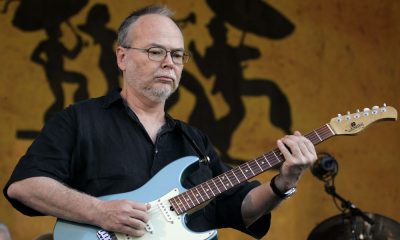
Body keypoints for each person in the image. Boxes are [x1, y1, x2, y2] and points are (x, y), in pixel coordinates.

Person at [3, 5, 317, 239]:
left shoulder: (195, 141)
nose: (169, 62)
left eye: (178, 55)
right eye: (156, 51)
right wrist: (100, 212)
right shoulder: (80, 120)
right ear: (122, 58)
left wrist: (283, 183)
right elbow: (25, 186)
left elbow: (240, 208)